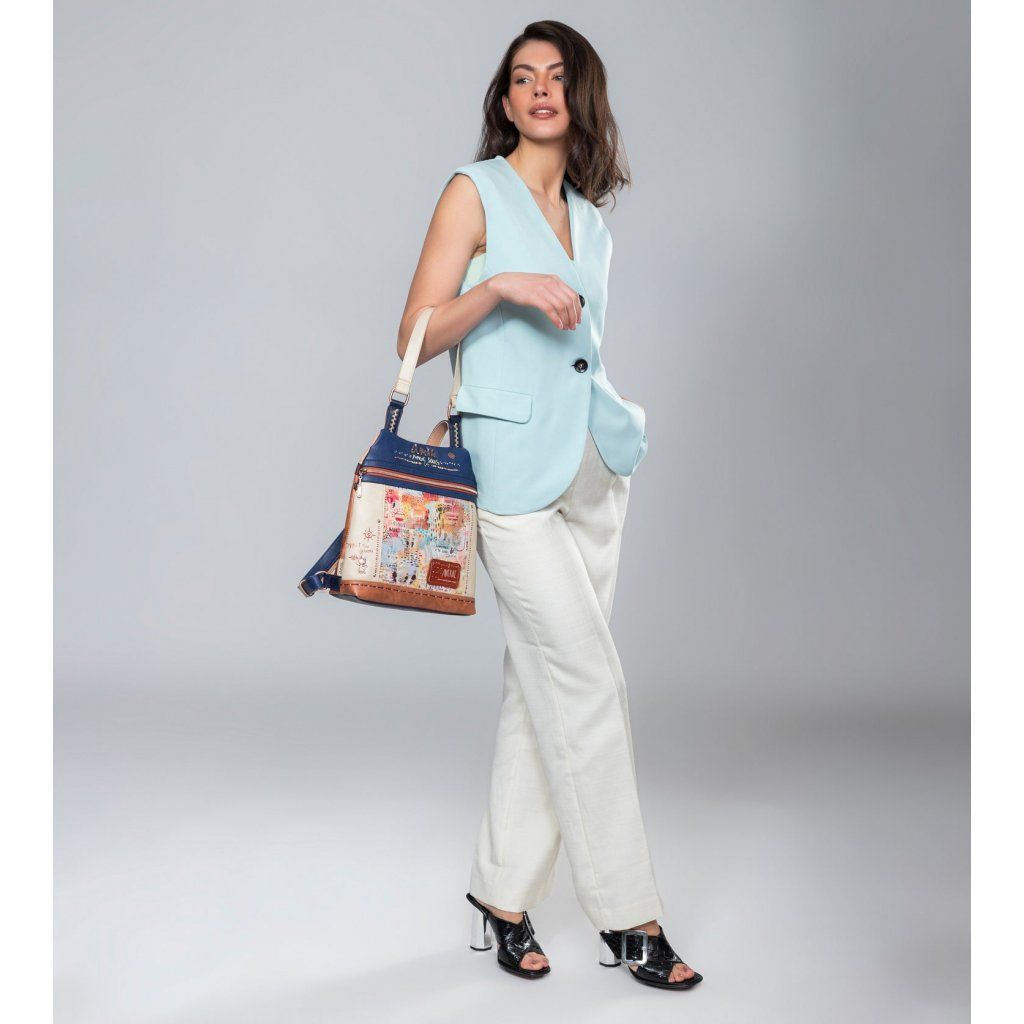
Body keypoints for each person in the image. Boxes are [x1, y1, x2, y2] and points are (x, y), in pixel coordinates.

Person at [396, 20, 703, 991]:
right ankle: (630, 916)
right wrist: (500, 289)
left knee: (542, 691)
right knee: (588, 684)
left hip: (593, 472)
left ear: (580, 96)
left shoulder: (592, 222)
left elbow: (582, 354)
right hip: (507, 477)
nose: (538, 90)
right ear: (504, 99)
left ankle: (500, 896)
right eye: (521, 77)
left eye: (556, 76)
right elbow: (413, 335)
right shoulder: (473, 191)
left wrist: (619, 431)